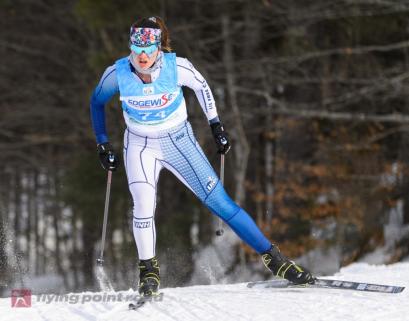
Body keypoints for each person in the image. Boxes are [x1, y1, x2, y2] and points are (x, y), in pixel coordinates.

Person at [90, 16, 314, 297]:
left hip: (178, 141)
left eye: (148, 50)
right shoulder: (117, 74)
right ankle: (148, 272)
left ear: (159, 49)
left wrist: (216, 124)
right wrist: (102, 143)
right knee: (143, 205)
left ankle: (276, 260)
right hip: (140, 144)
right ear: (130, 48)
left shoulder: (177, 68)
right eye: (137, 50)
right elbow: (96, 102)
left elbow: (202, 87)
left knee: (220, 202)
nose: (142, 57)